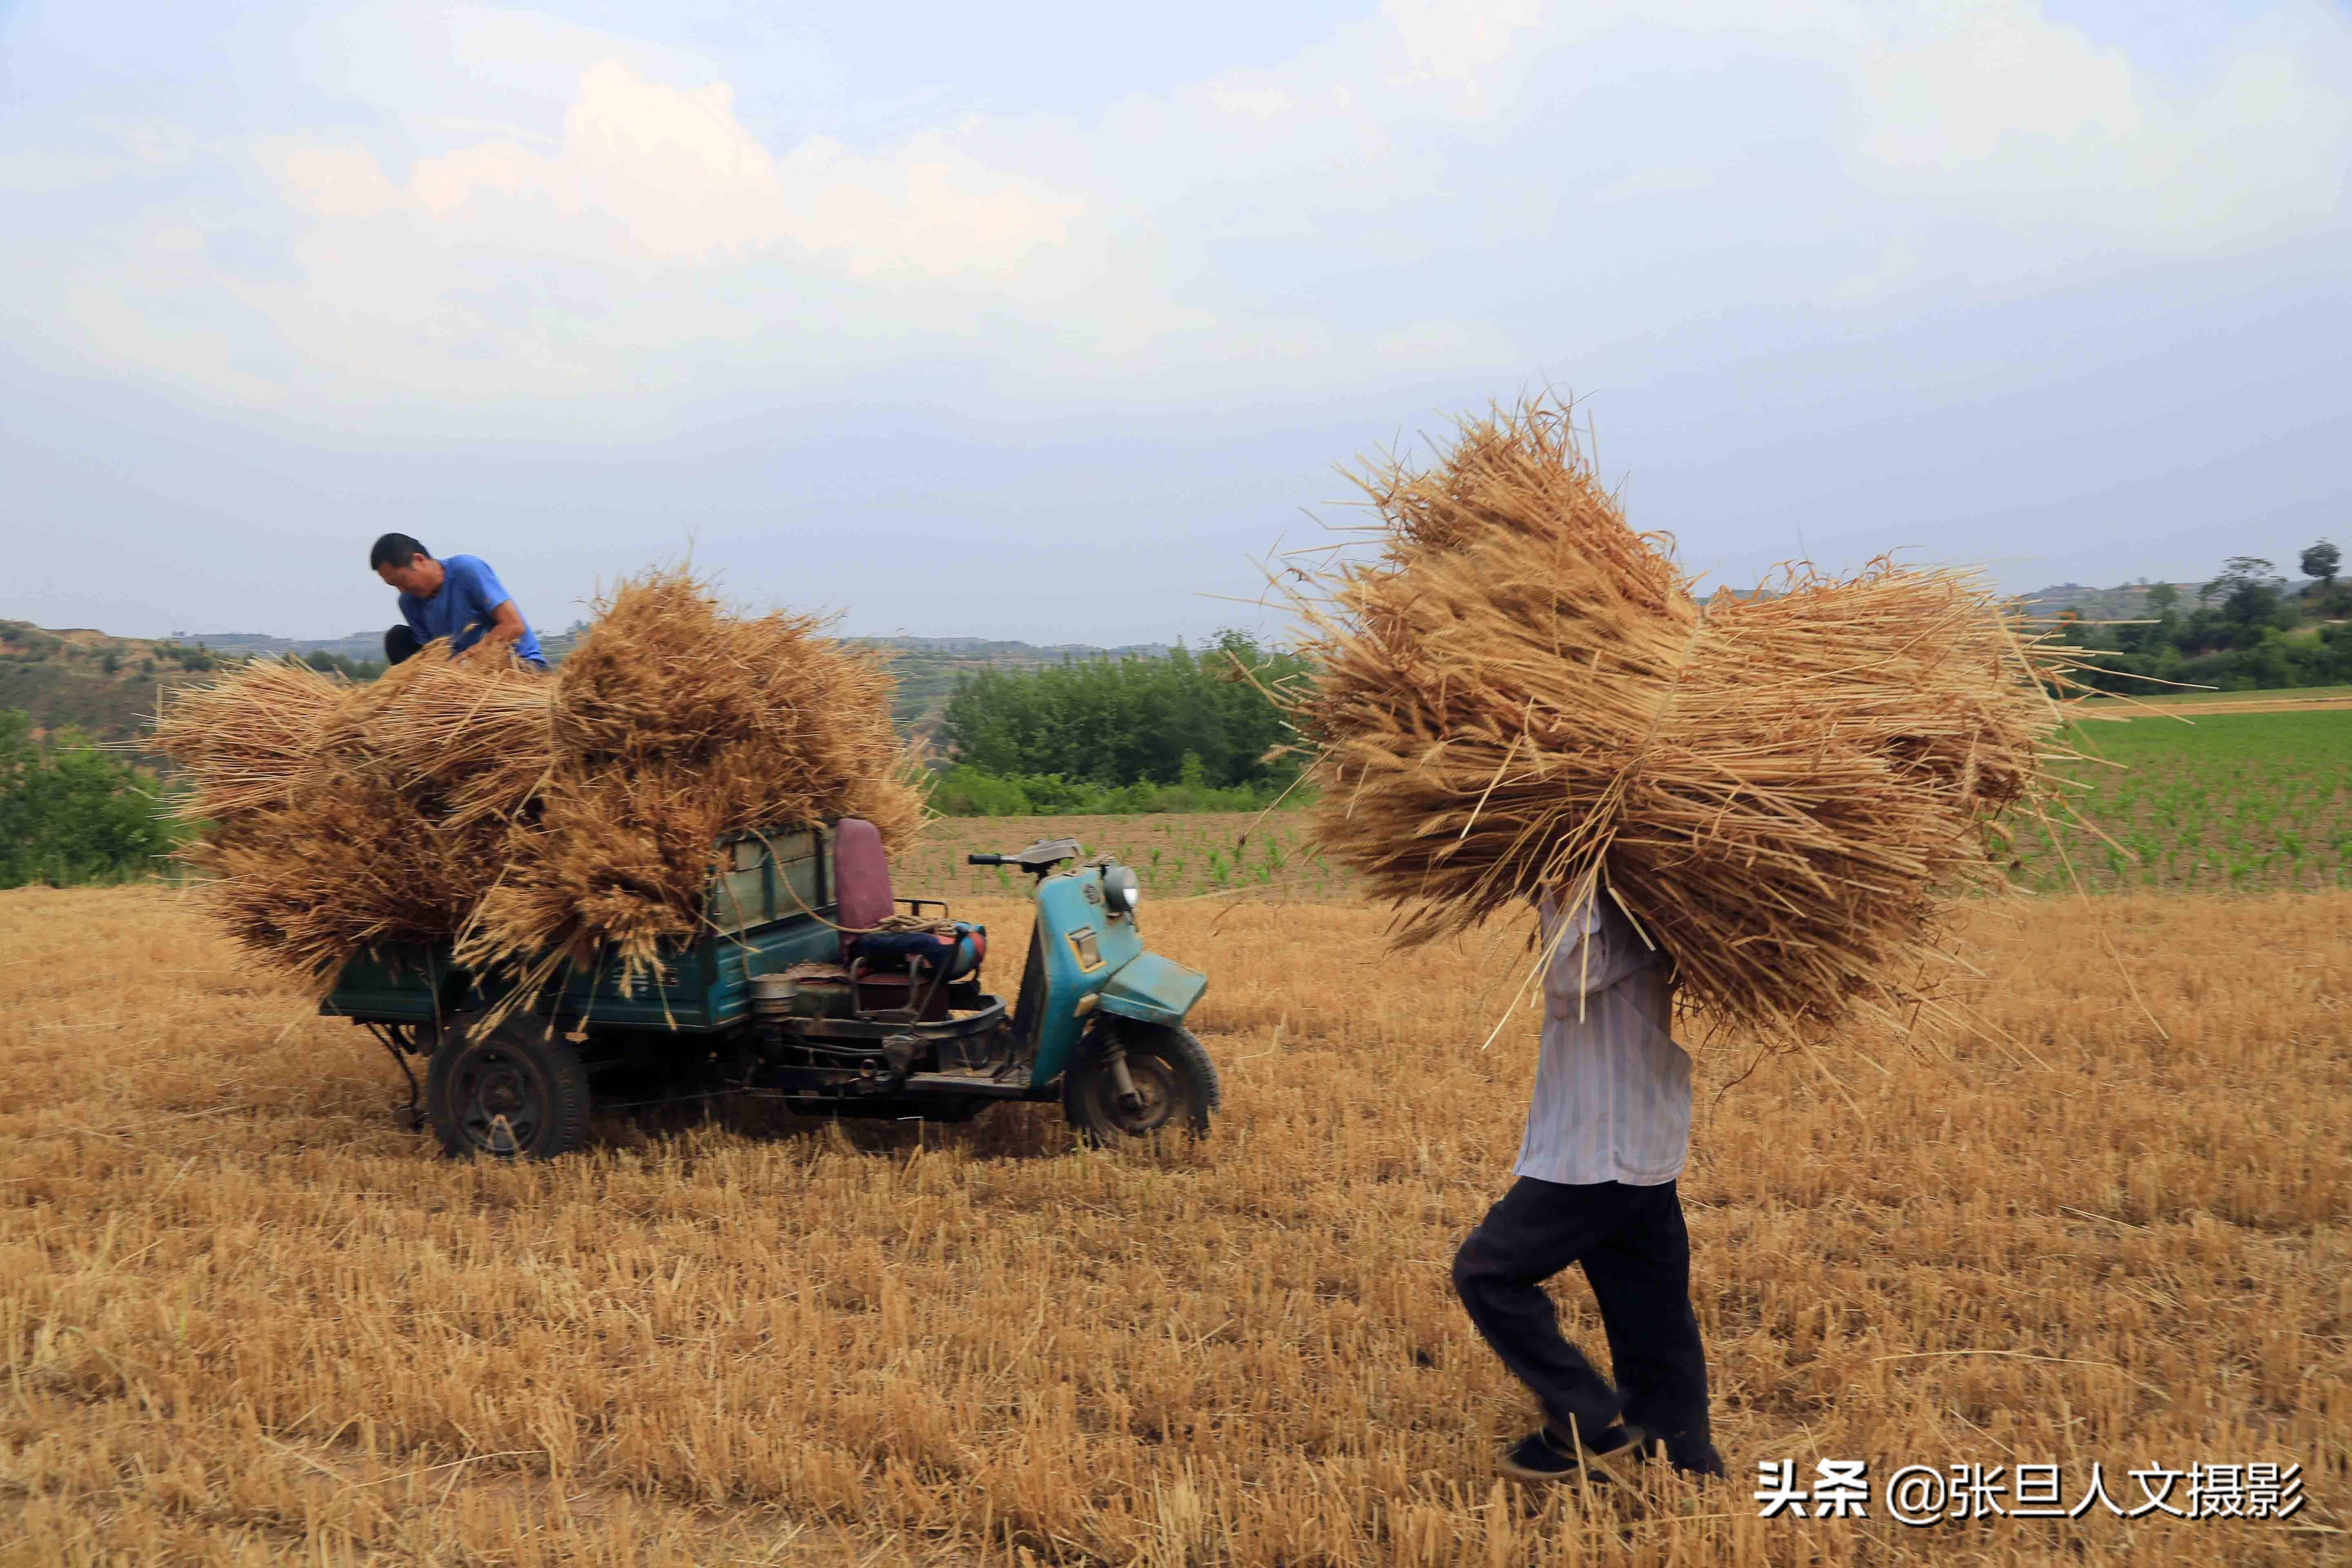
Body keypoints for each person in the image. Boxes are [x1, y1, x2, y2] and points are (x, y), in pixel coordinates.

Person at [1450, 886, 1724, 1485]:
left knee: (1487, 1273)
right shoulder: (1644, 890)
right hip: (1640, 1134)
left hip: (1599, 1143)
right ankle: (1687, 1463)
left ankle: (1585, 1418)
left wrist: (1558, 887)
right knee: (1651, 1309)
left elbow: (1568, 980)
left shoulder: (1602, 896)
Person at [370, 534, 546, 668]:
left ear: (419, 560)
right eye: (394, 585)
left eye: (403, 580)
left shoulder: (466, 570)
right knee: (398, 638)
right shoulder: (408, 603)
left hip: (514, 666)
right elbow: (433, 654)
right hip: (466, 676)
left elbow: (514, 626)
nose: (402, 590)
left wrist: (466, 660)